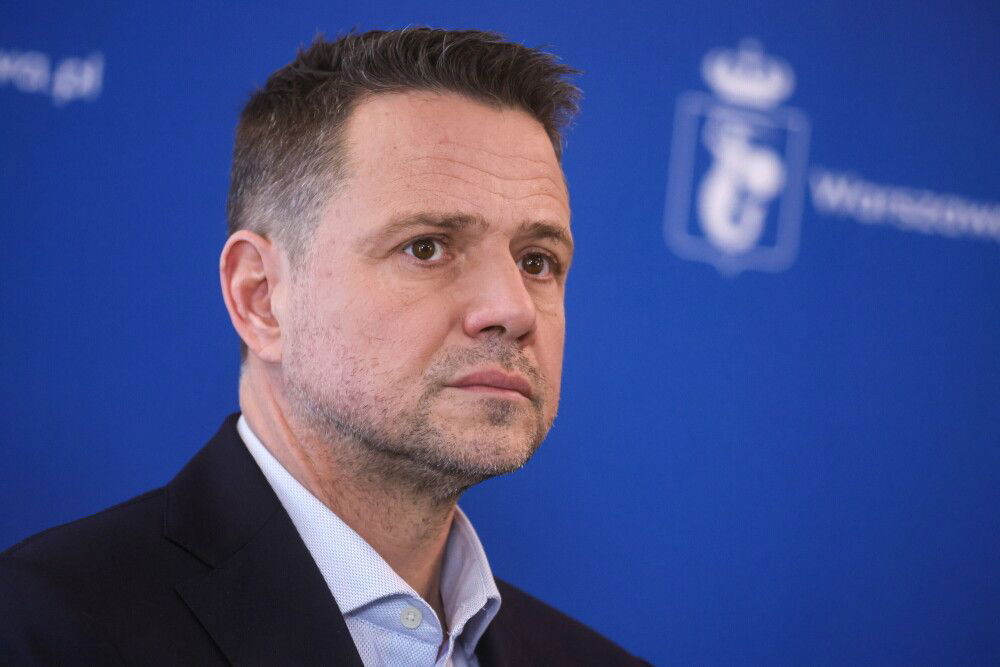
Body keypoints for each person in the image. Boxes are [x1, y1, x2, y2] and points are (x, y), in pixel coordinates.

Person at [0, 28, 648, 665]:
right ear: (261, 297)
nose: (512, 308)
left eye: (537, 260)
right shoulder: (44, 628)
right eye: (426, 247)